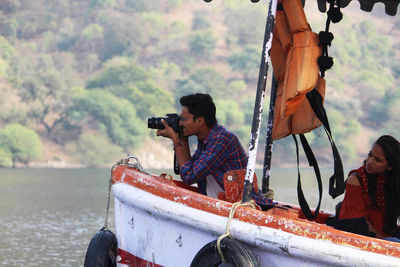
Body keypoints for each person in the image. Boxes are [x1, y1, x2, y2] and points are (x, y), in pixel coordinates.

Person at [156, 93, 271, 205]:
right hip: (227, 201)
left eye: (184, 119)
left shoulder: (221, 140)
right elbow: (189, 168)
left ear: (200, 121)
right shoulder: (206, 139)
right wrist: (182, 139)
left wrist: (176, 141)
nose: (180, 124)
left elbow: (189, 176)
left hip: (242, 205)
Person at [338, 135, 400, 240]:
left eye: (377, 160)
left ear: (390, 166)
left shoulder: (394, 181)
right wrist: (385, 241)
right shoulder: (355, 180)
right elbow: (357, 220)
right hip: (366, 237)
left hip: (389, 235)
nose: (369, 161)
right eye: (370, 155)